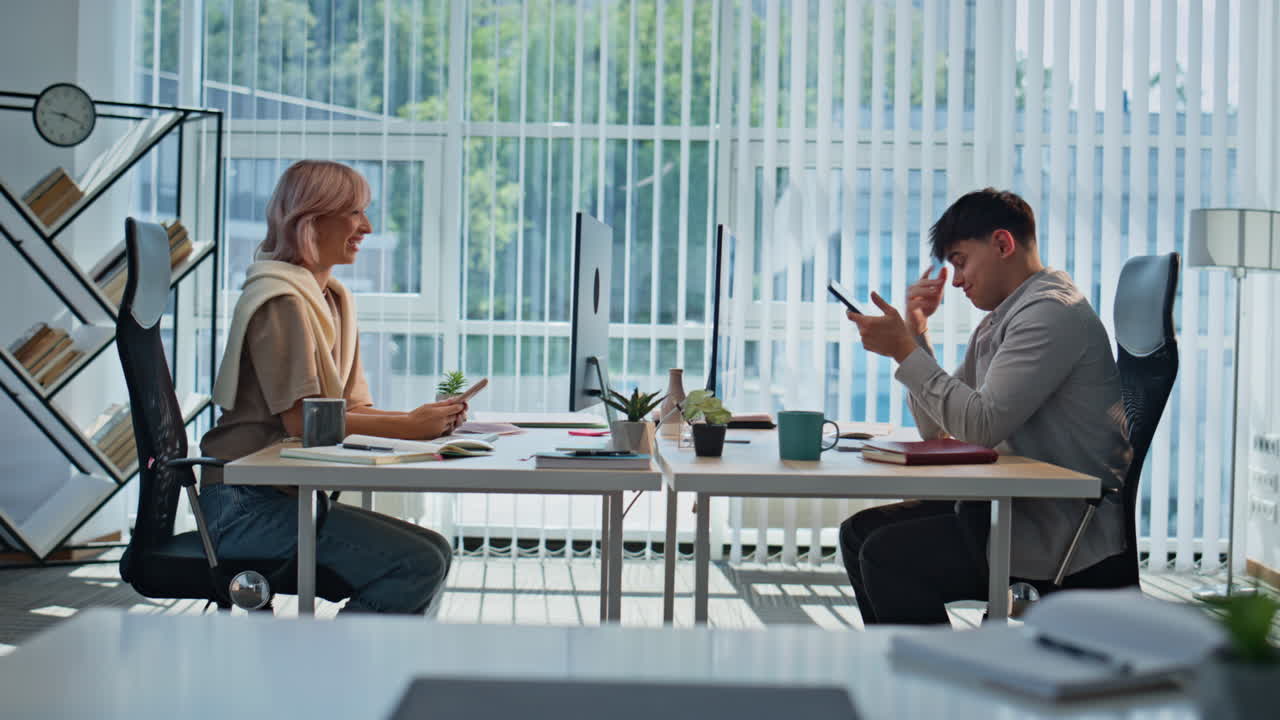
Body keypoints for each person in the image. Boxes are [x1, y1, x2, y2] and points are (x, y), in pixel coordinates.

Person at [839, 188, 1134, 625]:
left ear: (1002, 244)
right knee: (858, 533)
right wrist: (916, 334)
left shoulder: (1049, 314)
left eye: (960, 261)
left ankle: (936, 690)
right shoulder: (1004, 318)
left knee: (887, 556)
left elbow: (979, 427)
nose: (956, 280)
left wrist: (904, 351)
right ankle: (908, 684)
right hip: (1013, 504)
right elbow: (936, 429)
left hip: (1058, 526)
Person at [199, 159, 465, 615]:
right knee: (417, 562)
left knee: (435, 551)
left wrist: (421, 421)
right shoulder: (280, 301)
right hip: (244, 506)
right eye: (355, 212)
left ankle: (352, 675)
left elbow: (352, 407)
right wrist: (412, 428)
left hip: (288, 493)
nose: (368, 225)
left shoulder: (332, 297)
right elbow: (304, 420)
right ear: (311, 219)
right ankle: (334, 677)